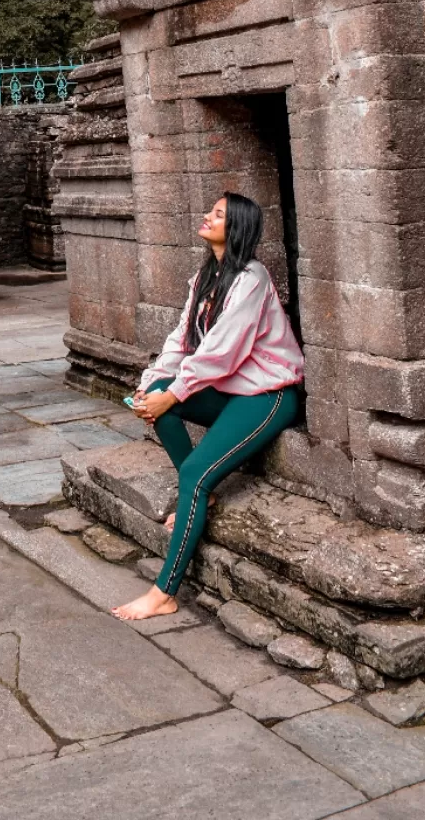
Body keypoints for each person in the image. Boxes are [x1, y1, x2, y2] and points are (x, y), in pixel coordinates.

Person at [112, 191, 303, 622]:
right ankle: (204, 495)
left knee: (194, 472)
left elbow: (221, 351)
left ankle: (164, 592)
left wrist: (175, 394)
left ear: (235, 226)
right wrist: (152, 388)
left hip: (268, 395)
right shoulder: (207, 277)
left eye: (217, 214)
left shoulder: (251, 279)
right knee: (161, 390)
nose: (206, 217)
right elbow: (182, 340)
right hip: (232, 389)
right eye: (210, 211)